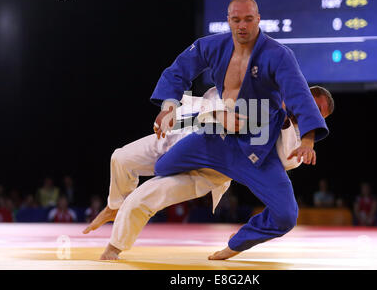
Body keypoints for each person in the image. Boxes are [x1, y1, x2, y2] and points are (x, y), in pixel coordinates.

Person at [93, 0, 329, 260]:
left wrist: (307, 139)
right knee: (156, 166)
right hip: (211, 139)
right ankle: (115, 210)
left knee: (286, 214)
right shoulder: (214, 46)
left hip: (252, 153)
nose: (242, 25)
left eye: (248, 19)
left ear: (258, 19)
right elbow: (179, 70)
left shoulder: (279, 58)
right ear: (228, 20)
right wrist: (169, 106)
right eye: (236, 19)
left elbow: (299, 95)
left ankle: (235, 243)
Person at [83, 84, 333, 260]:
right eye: (310, 104)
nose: (310, 112)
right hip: (181, 134)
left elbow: (284, 160)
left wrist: (289, 122)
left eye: (318, 114)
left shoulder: (296, 142)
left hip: (205, 170)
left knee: (142, 198)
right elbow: (216, 94)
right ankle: (114, 205)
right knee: (120, 157)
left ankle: (114, 248)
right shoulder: (264, 91)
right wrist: (173, 112)